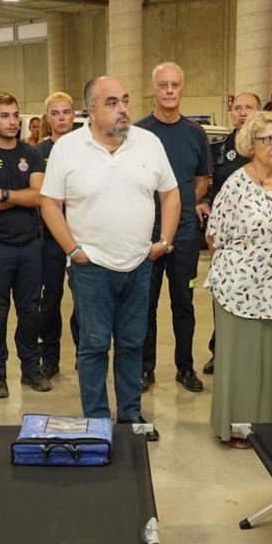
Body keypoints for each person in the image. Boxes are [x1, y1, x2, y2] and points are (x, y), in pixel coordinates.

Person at [40, 75, 180, 441]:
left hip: (139, 262)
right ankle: (98, 420)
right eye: (112, 102)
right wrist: (73, 249)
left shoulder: (148, 143)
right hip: (92, 268)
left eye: (126, 101)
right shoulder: (68, 148)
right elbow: (50, 204)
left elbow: (171, 194)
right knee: (94, 344)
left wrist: (164, 240)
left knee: (133, 342)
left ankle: (130, 415)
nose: (123, 110)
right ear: (91, 110)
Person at [206, 110, 272, 447]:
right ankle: (236, 426)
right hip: (240, 288)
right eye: (267, 139)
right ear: (252, 144)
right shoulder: (236, 183)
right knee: (243, 361)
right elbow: (214, 235)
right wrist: (239, 271)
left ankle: (269, 426)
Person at [0, 92, 51, 398]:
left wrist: (3, 195)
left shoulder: (33, 154)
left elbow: (40, 196)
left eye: (15, 115)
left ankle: (31, 369)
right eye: (4, 116)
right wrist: (19, 196)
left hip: (30, 246)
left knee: (30, 312)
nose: (12, 121)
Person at [135, 62, 212, 395]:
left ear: (183, 88)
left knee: (184, 303)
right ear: (153, 88)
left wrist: (176, 207)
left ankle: (185, 368)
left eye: (175, 85)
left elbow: (201, 180)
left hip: (185, 236)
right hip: (145, 233)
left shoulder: (196, 134)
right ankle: (145, 369)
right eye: (163, 85)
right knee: (145, 305)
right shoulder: (138, 133)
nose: (169, 91)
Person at [198, 91, 260, 374]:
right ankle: (219, 351)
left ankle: (249, 354)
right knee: (223, 294)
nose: (242, 113)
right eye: (237, 108)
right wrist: (204, 203)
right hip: (226, 237)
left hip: (261, 237)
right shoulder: (220, 149)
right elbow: (210, 186)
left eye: (249, 108)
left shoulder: (267, 148)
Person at [34, 91, 78, 378]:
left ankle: (85, 353)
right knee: (50, 300)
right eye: (56, 113)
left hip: (81, 236)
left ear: (74, 116)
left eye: (66, 112)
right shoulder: (38, 153)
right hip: (48, 239)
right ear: (48, 118)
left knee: (84, 299)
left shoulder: (86, 147)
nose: (61, 118)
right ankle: (49, 357)